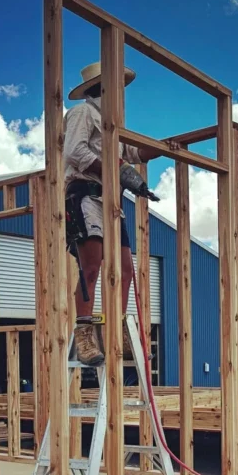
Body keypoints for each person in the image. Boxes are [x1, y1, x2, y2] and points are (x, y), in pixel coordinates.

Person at [62, 61, 179, 366]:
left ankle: (119, 329)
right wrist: (117, 169)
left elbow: (133, 154)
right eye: (116, 87)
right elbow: (76, 151)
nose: (121, 94)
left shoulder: (112, 124)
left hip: (112, 203)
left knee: (126, 268)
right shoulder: (82, 113)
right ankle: (85, 332)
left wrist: (165, 148)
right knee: (91, 265)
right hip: (85, 195)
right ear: (101, 88)